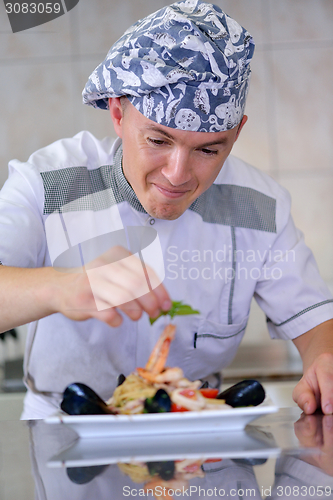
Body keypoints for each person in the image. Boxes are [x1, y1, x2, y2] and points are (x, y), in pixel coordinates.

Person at [0, 0, 332, 419]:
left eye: (209, 150)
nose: (177, 175)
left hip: (197, 440)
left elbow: (315, 323)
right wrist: (58, 287)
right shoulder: (46, 182)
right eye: (158, 141)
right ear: (118, 113)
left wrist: (324, 360)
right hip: (66, 442)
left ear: (236, 133)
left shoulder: (259, 205)